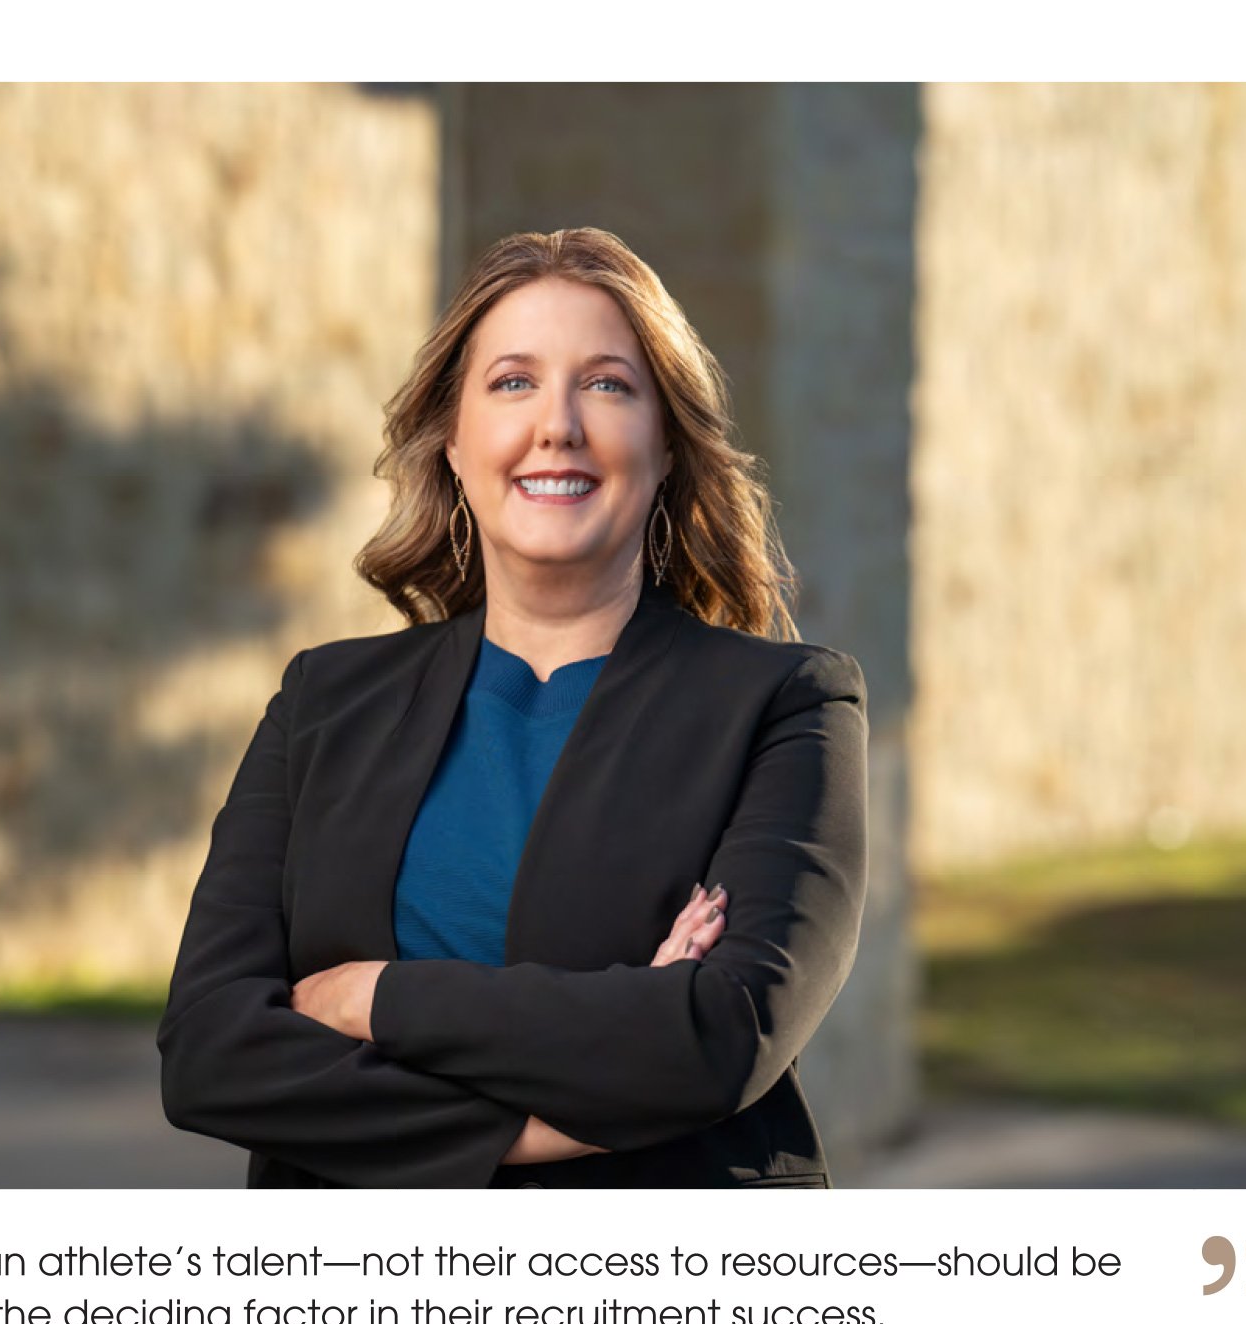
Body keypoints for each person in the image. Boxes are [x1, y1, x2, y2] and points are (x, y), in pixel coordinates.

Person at [157, 227, 867, 1190]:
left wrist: (377, 998)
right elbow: (209, 1053)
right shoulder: (323, 702)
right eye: (513, 382)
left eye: (608, 384)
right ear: (453, 442)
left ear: (666, 446)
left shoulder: (787, 706)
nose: (558, 425)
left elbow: (721, 1036)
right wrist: (551, 1121)